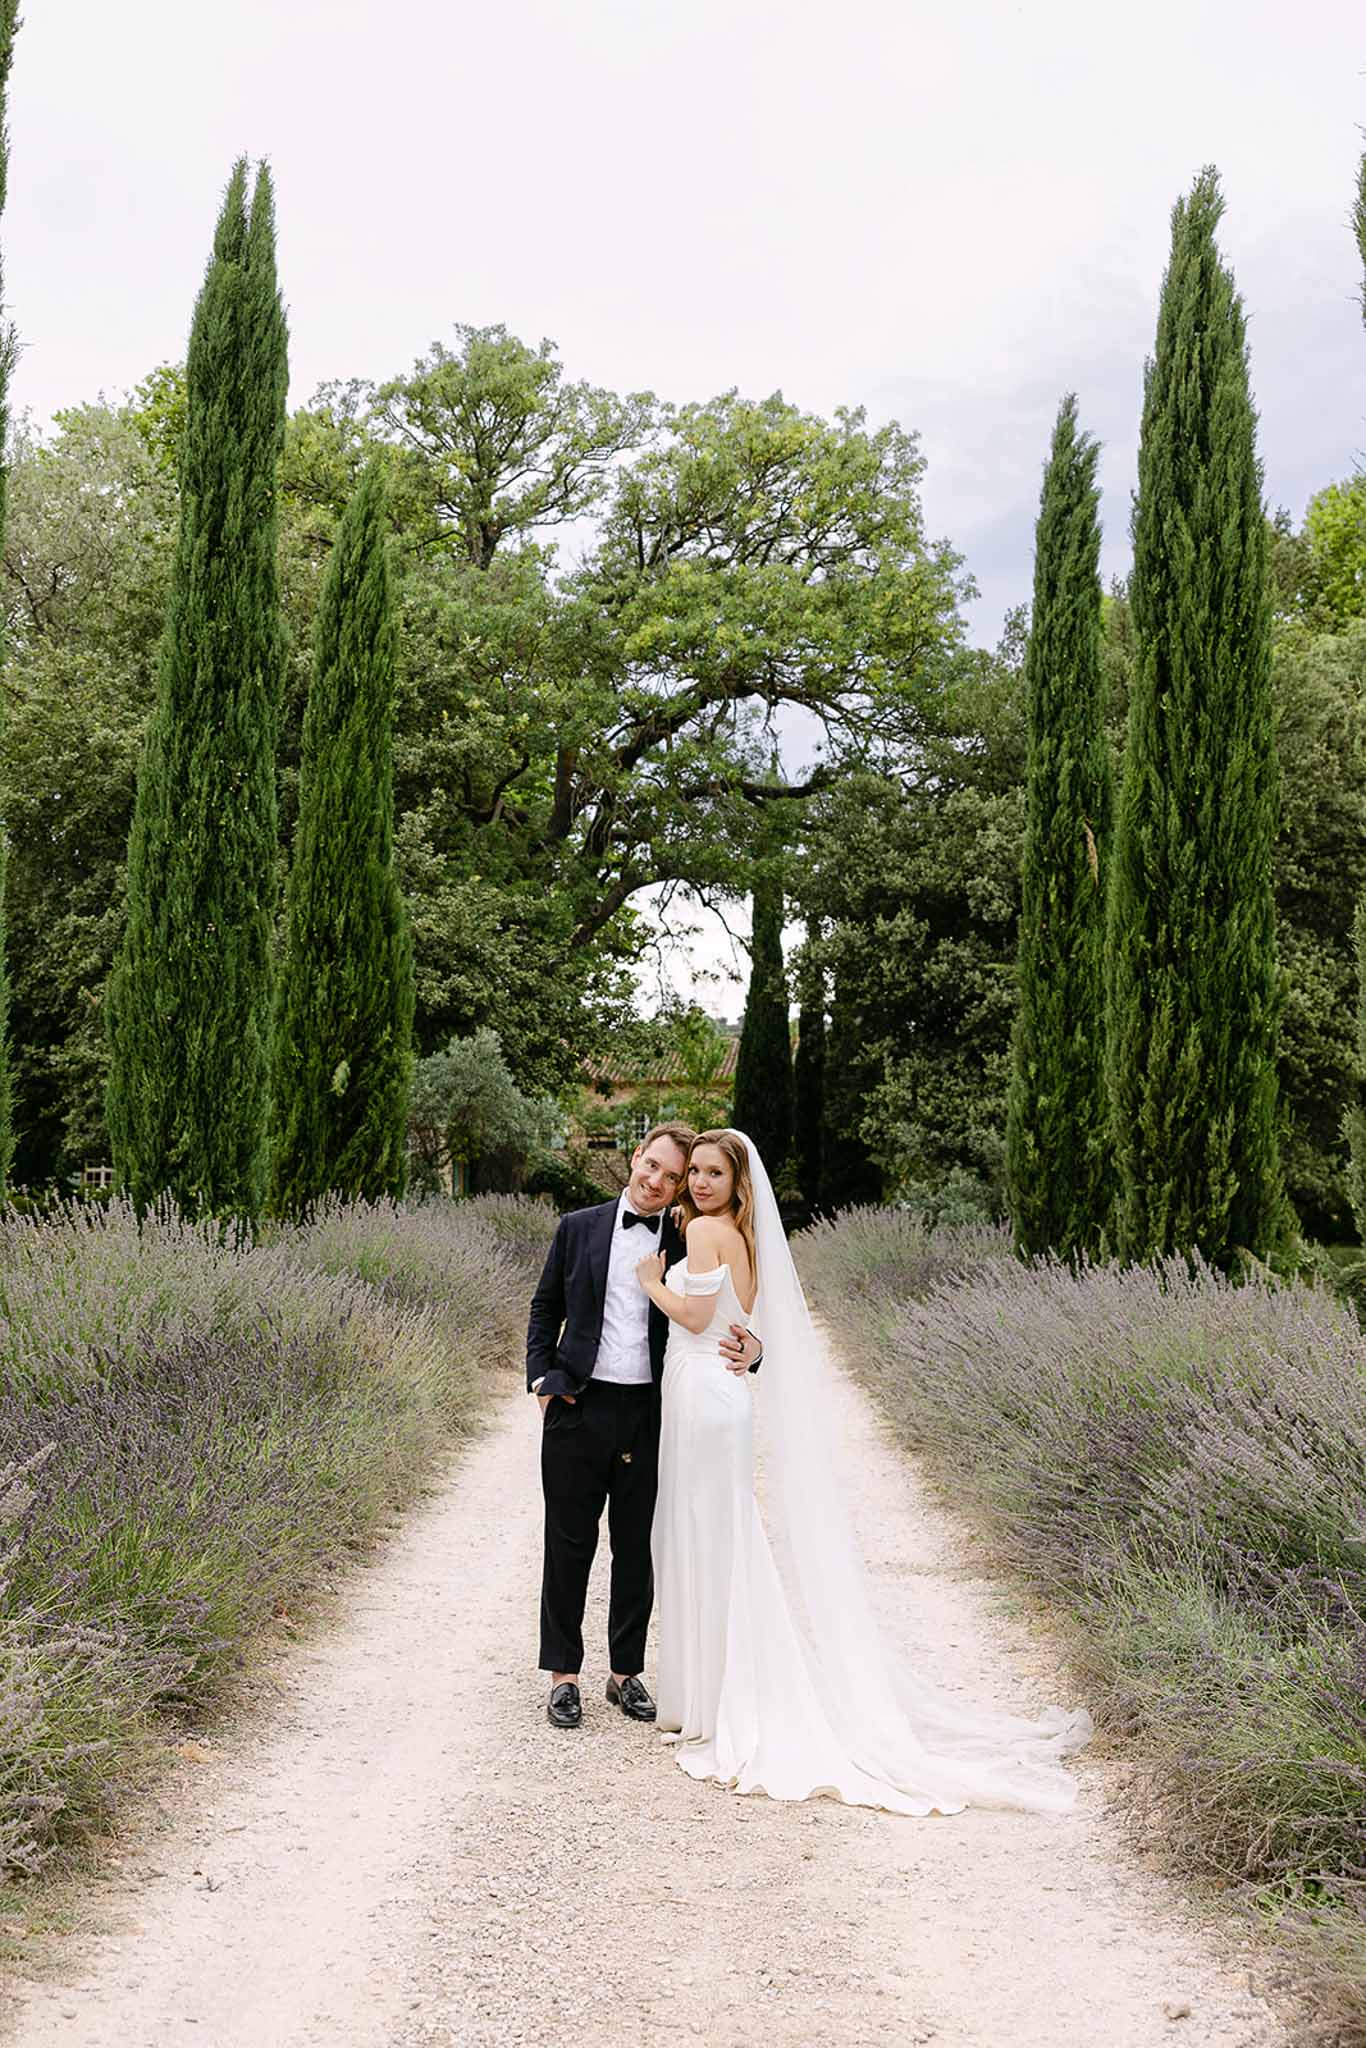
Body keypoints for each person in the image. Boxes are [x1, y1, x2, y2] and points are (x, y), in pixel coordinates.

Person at [636, 1128, 1092, 1815]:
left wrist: (651, 1283)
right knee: (720, 1536)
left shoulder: (704, 1234)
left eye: (711, 1175)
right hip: (725, 1395)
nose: (698, 1184)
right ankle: (714, 1690)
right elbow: (747, 1321)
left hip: (700, 1391)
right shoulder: (743, 1234)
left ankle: (710, 1702)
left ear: (735, 1184)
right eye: (692, 1173)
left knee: (701, 1534)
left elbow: (698, 1314)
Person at [526, 1124, 764, 1730]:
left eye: (673, 1176)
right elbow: (545, 1305)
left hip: (654, 1412)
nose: (658, 1182)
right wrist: (543, 1380)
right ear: (635, 1158)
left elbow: (731, 1308)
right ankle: (563, 1677)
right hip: (578, 1407)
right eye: (652, 1166)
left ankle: (625, 1674)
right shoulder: (577, 1226)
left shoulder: (693, 1236)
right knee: (568, 1542)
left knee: (638, 1548)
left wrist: (754, 1349)